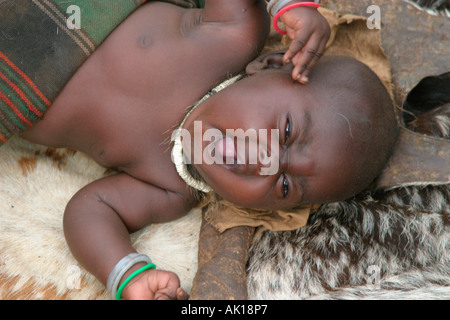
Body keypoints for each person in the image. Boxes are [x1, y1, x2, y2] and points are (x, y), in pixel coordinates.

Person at [1, 1, 398, 300]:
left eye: (285, 186)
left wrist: (127, 272)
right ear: (273, 62)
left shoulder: (172, 189)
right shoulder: (231, 33)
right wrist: (288, 7)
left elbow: (89, 210)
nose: (266, 161)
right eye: (287, 130)